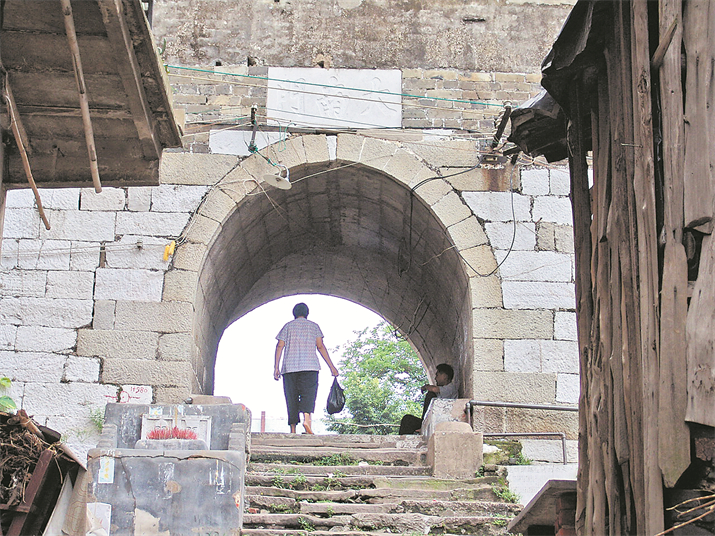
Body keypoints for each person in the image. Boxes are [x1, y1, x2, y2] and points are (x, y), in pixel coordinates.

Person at [274, 302, 339, 434]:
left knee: (291, 396)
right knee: (308, 394)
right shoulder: (314, 326)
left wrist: (276, 367)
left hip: (289, 367)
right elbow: (320, 346)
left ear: (294, 313)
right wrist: (331, 367)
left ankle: (293, 429)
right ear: (307, 313)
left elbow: (280, 346)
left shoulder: (287, 326)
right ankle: (307, 420)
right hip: (310, 366)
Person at [399, 363, 457, 435]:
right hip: (433, 420)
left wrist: (426, 387)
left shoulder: (450, 388)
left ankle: (424, 425)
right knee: (407, 419)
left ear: (444, 376)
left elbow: (434, 389)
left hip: (443, 420)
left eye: (437, 375)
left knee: (431, 394)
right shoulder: (442, 390)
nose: (435, 378)